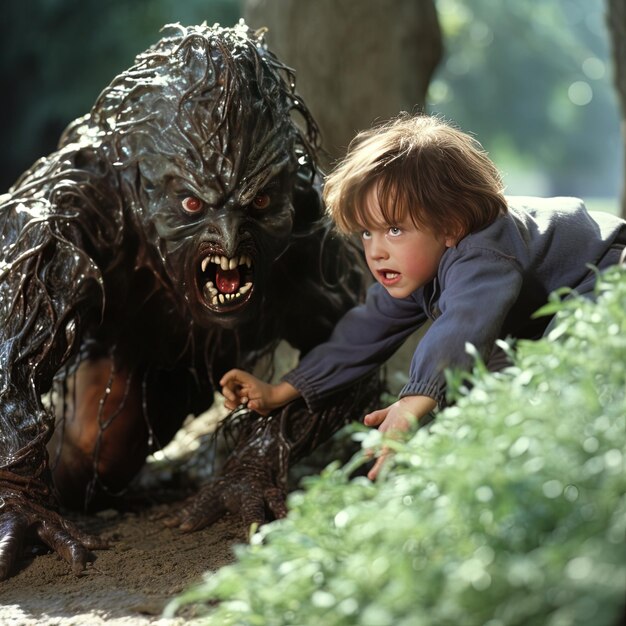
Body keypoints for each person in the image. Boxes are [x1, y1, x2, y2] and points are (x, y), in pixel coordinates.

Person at [220, 113, 626, 479]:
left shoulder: (483, 250)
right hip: (551, 300)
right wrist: (280, 390)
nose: (377, 251)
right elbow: (362, 334)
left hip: (608, 271)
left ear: (451, 225)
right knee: (491, 379)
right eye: (367, 232)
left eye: (394, 229)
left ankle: (585, 467)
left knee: (559, 362)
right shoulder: (416, 269)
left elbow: (462, 324)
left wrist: (413, 401)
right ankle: (507, 465)